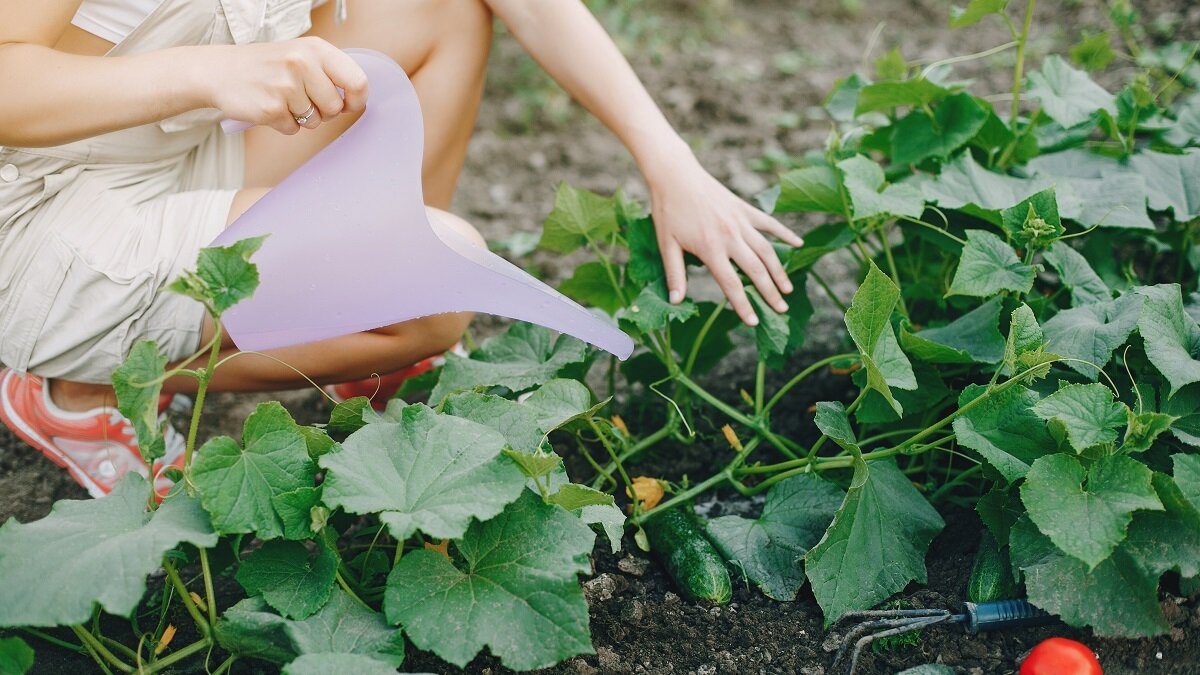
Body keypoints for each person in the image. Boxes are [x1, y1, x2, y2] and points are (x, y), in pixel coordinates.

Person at [0, 0, 803, 497]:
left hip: (173, 155)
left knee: (444, 8)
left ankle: (362, 344)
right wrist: (214, 71)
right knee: (438, 281)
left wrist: (672, 165)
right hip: (48, 221)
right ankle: (81, 391)